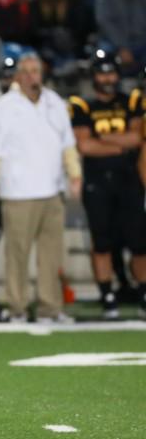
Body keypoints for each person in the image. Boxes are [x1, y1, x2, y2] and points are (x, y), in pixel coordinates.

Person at [0, 53, 82, 324]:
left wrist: (75, 173)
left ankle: (50, 307)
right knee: (17, 255)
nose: (34, 76)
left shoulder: (55, 103)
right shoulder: (4, 107)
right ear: (18, 76)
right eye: (29, 71)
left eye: (37, 71)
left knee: (51, 255)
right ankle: (18, 308)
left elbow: (67, 144)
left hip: (51, 191)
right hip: (18, 192)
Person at [68, 50, 145, 319]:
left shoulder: (131, 100)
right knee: (101, 242)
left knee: (139, 242)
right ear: (94, 76)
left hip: (128, 181)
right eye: (102, 73)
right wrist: (119, 144)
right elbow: (84, 146)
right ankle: (107, 294)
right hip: (98, 183)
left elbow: (137, 138)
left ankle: (142, 290)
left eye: (111, 72)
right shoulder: (82, 105)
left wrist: (104, 140)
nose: (108, 78)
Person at [31, 0, 91, 79]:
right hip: (45, 45)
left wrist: (66, 35)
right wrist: (51, 34)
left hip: (69, 44)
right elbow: (33, 27)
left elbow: (80, 25)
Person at [95, 0, 146, 73]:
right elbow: (104, 21)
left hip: (140, 42)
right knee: (103, 52)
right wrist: (121, 46)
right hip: (114, 42)